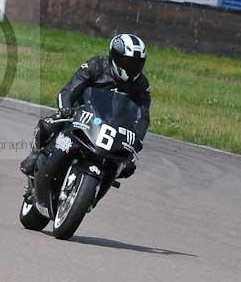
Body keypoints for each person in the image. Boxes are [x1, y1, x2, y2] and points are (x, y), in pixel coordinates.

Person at [20, 33, 151, 179]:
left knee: (128, 166)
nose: (131, 67)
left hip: (113, 126)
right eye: (127, 62)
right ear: (114, 56)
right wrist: (65, 109)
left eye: (136, 63)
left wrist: (138, 139)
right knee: (48, 124)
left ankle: (101, 184)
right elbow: (69, 90)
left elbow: (143, 115)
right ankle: (36, 153)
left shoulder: (141, 84)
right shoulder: (96, 65)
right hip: (82, 114)